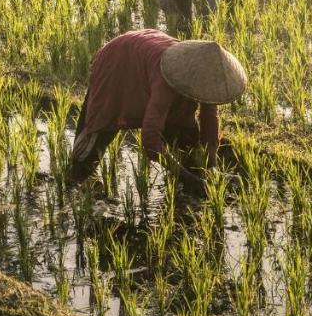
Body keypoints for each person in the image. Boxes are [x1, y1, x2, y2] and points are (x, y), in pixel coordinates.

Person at [68, 29, 247, 194]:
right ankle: (75, 179)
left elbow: (210, 118)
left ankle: (191, 177)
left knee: (189, 152)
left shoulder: (207, 79)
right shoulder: (167, 79)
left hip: (146, 57)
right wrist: (185, 177)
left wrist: (212, 168)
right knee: (89, 153)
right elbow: (150, 137)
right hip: (118, 62)